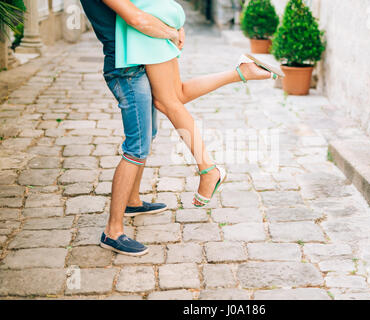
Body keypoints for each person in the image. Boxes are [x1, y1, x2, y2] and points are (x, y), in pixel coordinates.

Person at [80, 0, 282, 256]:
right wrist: (172, 31)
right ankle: (113, 231)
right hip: (126, 66)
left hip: (140, 53)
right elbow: (137, 19)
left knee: (169, 105)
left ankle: (133, 202)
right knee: (138, 145)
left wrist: (174, 26)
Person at [114, 0, 284, 208]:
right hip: (155, 14)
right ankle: (242, 72)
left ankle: (208, 169)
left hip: (148, 20)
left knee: (168, 102)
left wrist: (172, 28)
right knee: (177, 94)